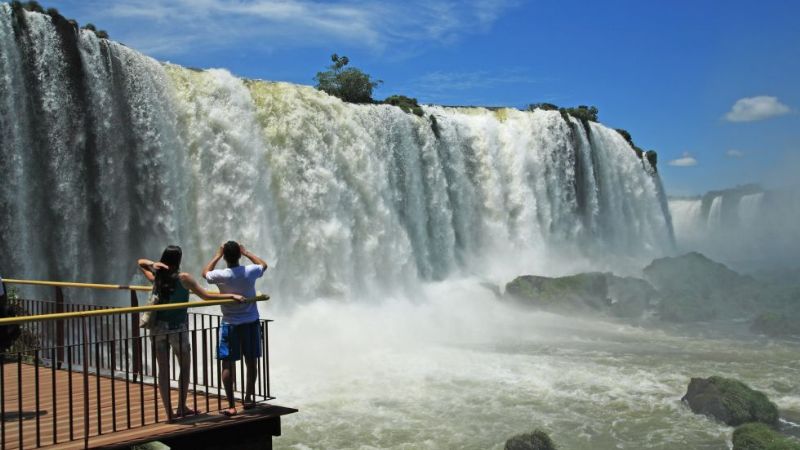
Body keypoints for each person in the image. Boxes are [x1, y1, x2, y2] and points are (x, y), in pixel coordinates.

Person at [138, 245, 243, 422]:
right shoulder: (183, 278)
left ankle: (170, 414)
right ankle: (181, 406)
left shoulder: (157, 277)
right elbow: (206, 297)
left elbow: (140, 262)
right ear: (179, 260)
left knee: (163, 371)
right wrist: (231, 296)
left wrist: (154, 264)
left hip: (157, 329)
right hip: (177, 329)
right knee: (185, 366)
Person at [202, 241, 268, 416]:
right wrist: (247, 252)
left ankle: (231, 405)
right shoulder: (249, 271)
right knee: (251, 362)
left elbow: (204, 273)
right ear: (239, 255)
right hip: (251, 322)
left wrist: (217, 255)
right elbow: (263, 265)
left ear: (225, 257)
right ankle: (247, 398)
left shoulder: (221, 275)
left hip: (230, 324)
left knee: (227, 365)